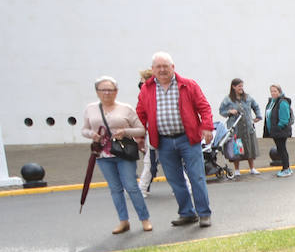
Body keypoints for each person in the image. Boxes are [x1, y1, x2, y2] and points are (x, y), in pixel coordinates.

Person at [136, 51, 215, 227]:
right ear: (153, 69)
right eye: (158, 67)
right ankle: (187, 213)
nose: (162, 70)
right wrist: (139, 136)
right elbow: (140, 113)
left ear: (173, 67)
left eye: (166, 66)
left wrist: (207, 127)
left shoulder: (188, 85)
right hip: (163, 142)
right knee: (175, 180)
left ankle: (204, 214)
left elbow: (204, 107)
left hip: (188, 139)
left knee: (197, 177)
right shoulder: (147, 89)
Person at [81, 76, 151, 234]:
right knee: (115, 189)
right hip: (103, 155)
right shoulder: (90, 109)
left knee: (132, 186)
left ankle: (144, 219)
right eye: (103, 90)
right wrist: (92, 134)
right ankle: (123, 221)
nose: (107, 93)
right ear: (97, 92)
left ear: (116, 92)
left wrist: (125, 132)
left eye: (110, 90)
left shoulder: (125, 108)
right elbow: (84, 129)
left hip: (123, 152)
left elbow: (141, 129)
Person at [218, 78, 262, 177]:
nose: (241, 88)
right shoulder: (228, 99)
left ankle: (252, 168)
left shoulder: (248, 97)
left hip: (248, 128)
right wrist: (229, 111)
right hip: (236, 129)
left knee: (250, 148)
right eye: (239, 86)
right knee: (237, 149)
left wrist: (258, 116)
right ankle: (237, 170)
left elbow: (256, 106)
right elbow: (221, 111)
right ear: (233, 87)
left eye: (242, 86)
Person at [136, 67, 160, 195]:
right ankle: (185, 187)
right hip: (154, 134)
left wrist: (140, 135)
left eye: (141, 81)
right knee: (172, 162)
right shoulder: (154, 92)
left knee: (149, 161)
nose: (140, 84)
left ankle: (143, 189)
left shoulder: (145, 93)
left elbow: (141, 115)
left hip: (153, 134)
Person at [263, 84, 295, 177]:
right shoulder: (272, 102)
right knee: (280, 149)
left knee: (282, 149)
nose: (273, 93)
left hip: (280, 131)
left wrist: (278, 127)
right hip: (274, 131)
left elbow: (284, 118)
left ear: (279, 91)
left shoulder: (282, 102)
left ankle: (286, 169)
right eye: (271, 91)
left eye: (275, 91)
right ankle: (286, 168)